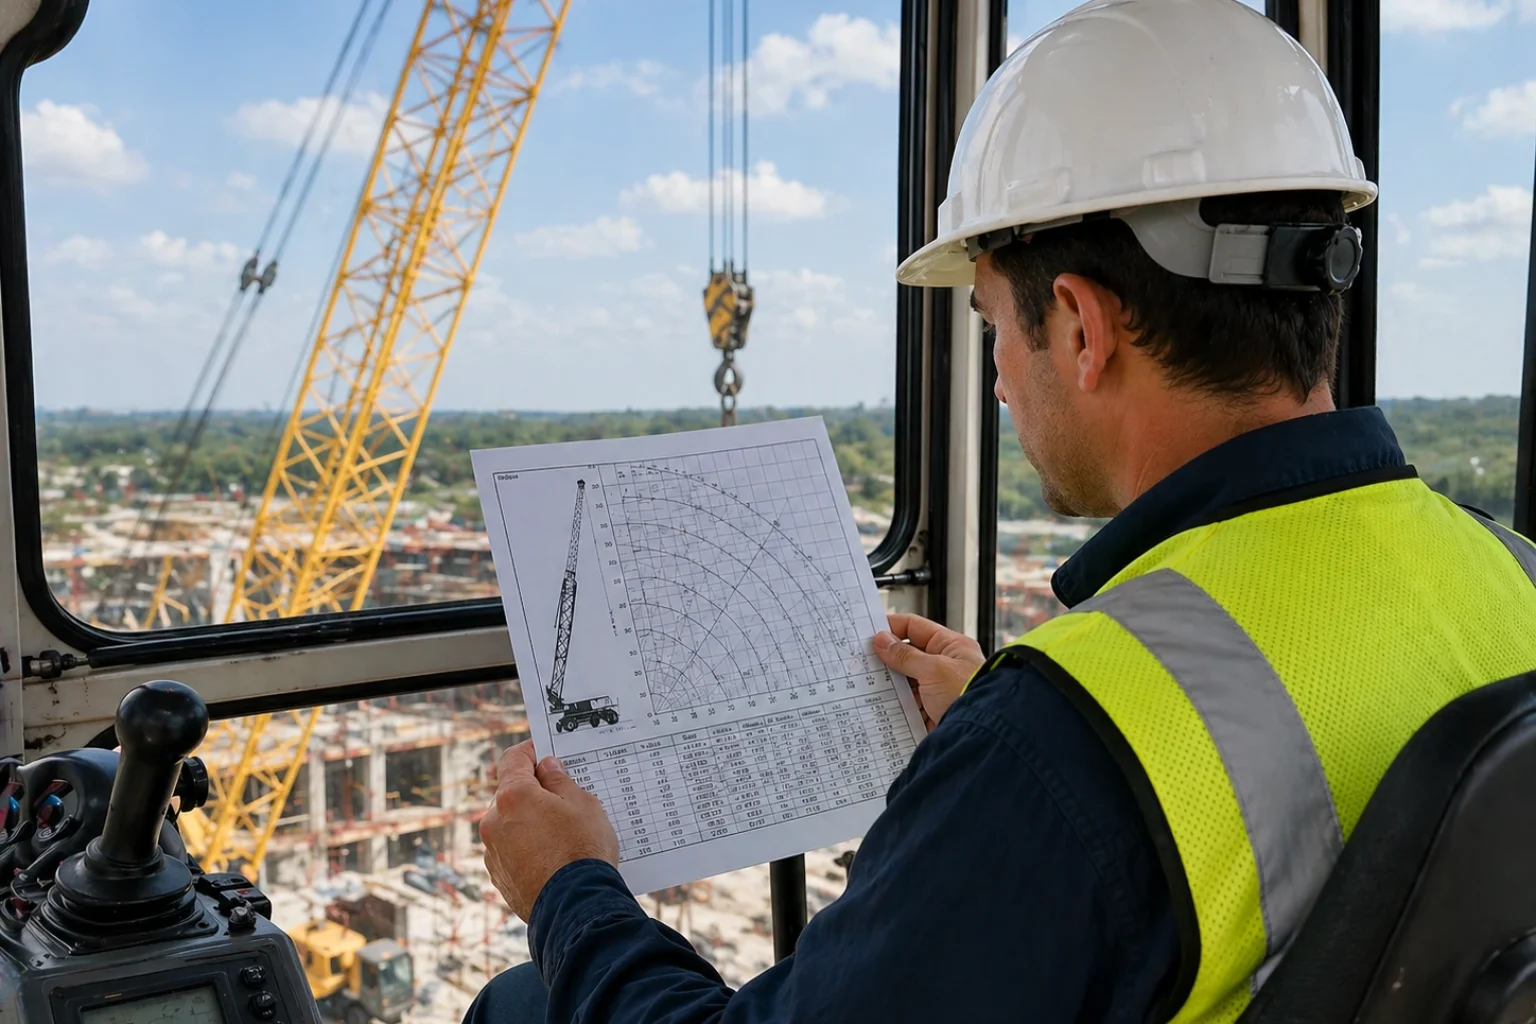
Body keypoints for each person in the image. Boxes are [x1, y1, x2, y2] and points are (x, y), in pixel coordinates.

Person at [466, 0, 1536, 1020]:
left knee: (526, 1002)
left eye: (991, 328)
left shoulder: (1061, 749)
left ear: (1078, 325)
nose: (998, 383)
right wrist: (1009, 731)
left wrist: (569, 890)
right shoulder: (1510, 568)